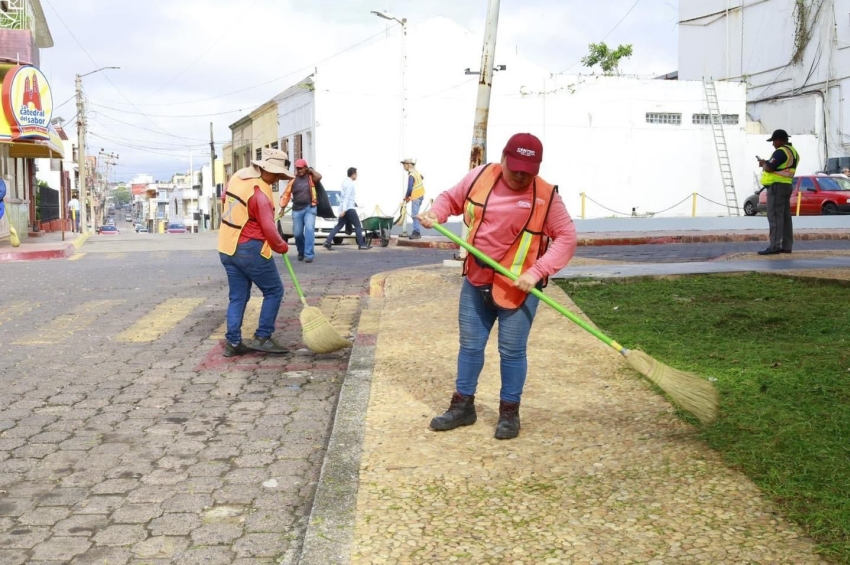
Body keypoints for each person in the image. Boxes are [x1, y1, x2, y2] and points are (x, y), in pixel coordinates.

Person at [417, 133, 577, 440]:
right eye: (514, 167)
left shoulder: (546, 196)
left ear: (537, 169)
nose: (519, 175)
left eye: (527, 171)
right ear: (503, 158)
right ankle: (463, 406)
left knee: (512, 352)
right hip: (477, 278)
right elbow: (450, 198)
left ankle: (509, 413)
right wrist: (436, 213)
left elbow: (567, 237)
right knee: (470, 346)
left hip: (519, 288)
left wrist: (538, 271)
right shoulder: (481, 176)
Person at [218, 148, 293, 358]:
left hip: (226, 246)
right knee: (274, 290)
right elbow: (269, 228)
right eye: (277, 174)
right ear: (266, 169)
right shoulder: (260, 193)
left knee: (238, 296)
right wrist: (282, 246)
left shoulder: (238, 176)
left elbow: (224, 197)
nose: (278, 178)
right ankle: (263, 337)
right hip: (250, 248)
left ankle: (233, 342)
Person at [757, 129, 799, 255]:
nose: (773, 144)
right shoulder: (793, 152)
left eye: (774, 141)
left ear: (780, 140)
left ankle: (774, 246)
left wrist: (763, 164)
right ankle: (786, 246)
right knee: (785, 217)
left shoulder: (781, 151)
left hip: (777, 187)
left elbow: (770, 168)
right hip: (786, 185)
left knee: (775, 216)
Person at [279, 159, 323, 263]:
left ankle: (309, 255)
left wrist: (311, 170)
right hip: (297, 210)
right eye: (297, 168)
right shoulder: (293, 180)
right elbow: (286, 194)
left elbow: (319, 177)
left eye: (300, 168)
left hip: (310, 208)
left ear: (305, 168)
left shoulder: (311, 178)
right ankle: (301, 251)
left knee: (309, 229)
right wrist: (282, 208)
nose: (298, 170)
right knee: (297, 233)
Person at [323, 167, 371, 251]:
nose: (357, 176)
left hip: (344, 208)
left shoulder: (344, 182)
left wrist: (342, 210)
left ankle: (328, 241)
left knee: (339, 226)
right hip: (348, 208)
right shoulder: (350, 184)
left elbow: (343, 197)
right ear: (353, 174)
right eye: (356, 174)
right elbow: (347, 197)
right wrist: (344, 210)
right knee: (357, 225)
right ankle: (361, 244)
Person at [401, 157, 425, 239]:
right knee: (415, 214)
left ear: (408, 165)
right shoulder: (416, 173)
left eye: (404, 165)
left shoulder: (411, 175)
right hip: (420, 195)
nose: (403, 166)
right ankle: (416, 231)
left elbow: (410, 188)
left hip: (416, 196)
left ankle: (416, 232)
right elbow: (422, 177)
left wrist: (406, 197)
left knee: (414, 215)